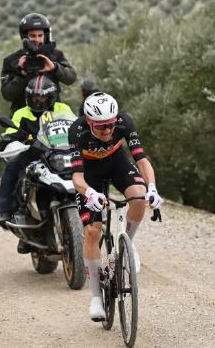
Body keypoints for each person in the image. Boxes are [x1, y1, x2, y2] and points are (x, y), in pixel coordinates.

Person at [68, 92, 163, 321]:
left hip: (116, 163)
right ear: (89, 121)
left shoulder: (124, 122)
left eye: (110, 125)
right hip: (89, 173)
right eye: (101, 127)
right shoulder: (77, 131)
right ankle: (95, 297)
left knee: (139, 197)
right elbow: (77, 178)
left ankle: (127, 245)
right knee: (92, 230)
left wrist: (152, 188)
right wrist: (90, 192)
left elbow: (142, 160)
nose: (108, 131)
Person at [0, 76, 75, 252]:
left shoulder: (63, 109)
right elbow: (12, 130)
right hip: (33, 154)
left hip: (60, 152)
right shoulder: (21, 113)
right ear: (28, 97)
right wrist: (9, 138)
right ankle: (7, 211)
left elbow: (76, 125)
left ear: (52, 96)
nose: (38, 100)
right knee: (12, 167)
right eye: (34, 97)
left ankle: (96, 206)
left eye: (42, 97)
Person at [0, 13, 76, 113]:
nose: (37, 39)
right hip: (24, 118)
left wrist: (55, 67)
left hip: (52, 115)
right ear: (24, 37)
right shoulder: (11, 60)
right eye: (32, 36)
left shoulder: (55, 55)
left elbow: (71, 78)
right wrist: (21, 73)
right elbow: (7, 94)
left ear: (45, 36)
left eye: (40, 35)